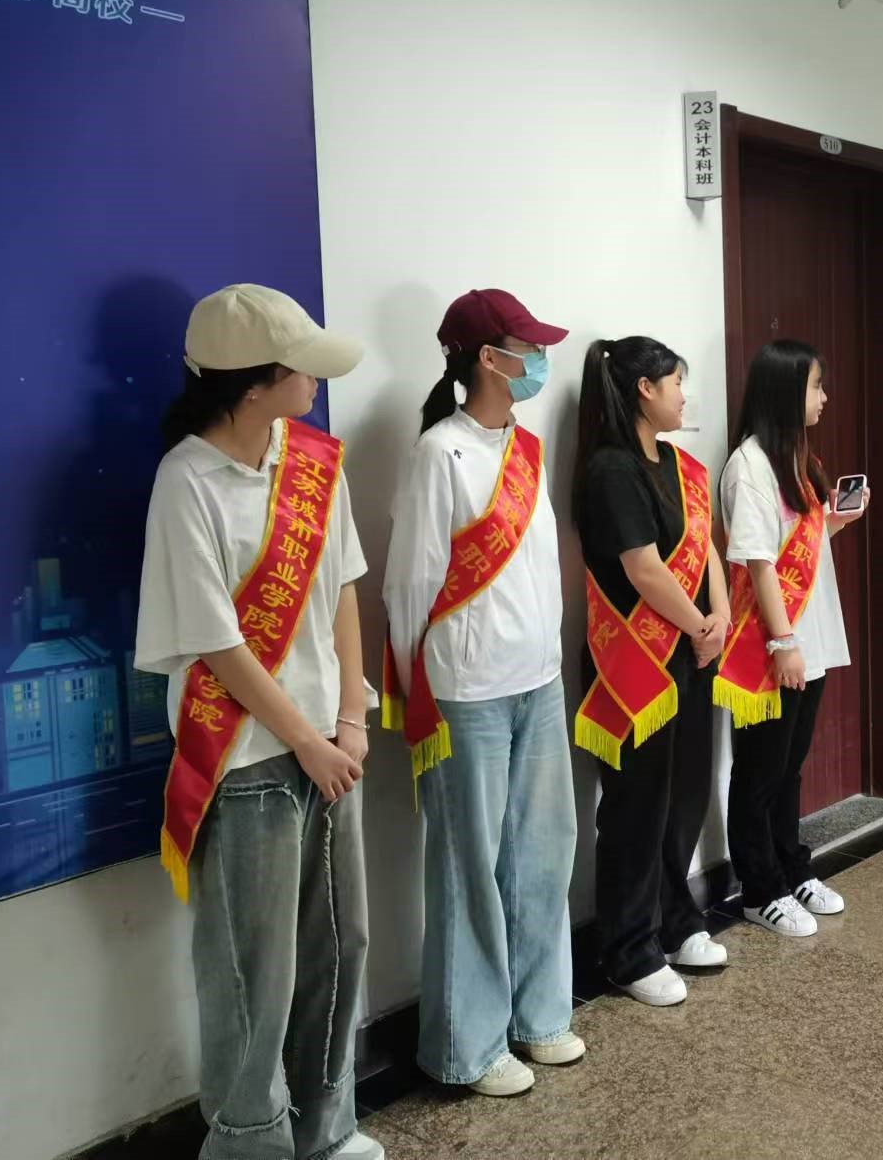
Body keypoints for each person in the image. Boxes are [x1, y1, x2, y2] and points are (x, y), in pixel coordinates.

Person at [134, 285, 384, 1160]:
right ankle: (249, 1141)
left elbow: (343, 589)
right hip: (248, 763)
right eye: (300, 367)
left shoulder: (313, 461)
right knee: (253, 973)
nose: (316, 380)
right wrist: (307, 740)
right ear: (252, 383)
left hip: (331, 748)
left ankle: (326, 1127)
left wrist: (350, 717)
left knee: (341, 945)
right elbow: (219, 642)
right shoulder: (186, 481)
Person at [382, 288, 580, 1098]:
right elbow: (409, 586)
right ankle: (468, 1045)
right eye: (527, 348)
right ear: (489, 359)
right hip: (467, 694)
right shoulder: (440, 453)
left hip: (539, 682)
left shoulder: (526, 449)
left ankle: (541, 1015)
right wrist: (417, 695)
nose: (539, 360)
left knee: (543, 852)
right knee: (470, 866)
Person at [573, 336, 731, 1007]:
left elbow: (706, 548)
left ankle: (676, 917)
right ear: (644, 389)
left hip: (692, 654)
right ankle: (628, 946)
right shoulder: (610, 470)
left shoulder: (678, 464)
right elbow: (643, 569)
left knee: (684, 793)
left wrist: (719, 614)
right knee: (636, 806)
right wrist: (699, 625)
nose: (683, 396)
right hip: (634, 661)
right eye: (675, 383)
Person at [717, 340, 861, 937]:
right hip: (768, 646)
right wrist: (781, 643)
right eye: (816, 386)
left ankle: (791, 867)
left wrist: (835, 521)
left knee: (790, 766)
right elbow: (758, 564)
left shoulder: (797, 458)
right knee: (760, 771)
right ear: (784, 390)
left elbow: (797, 548)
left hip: (810, 637)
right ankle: (760, 889)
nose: (825, 397)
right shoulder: (749, 465)